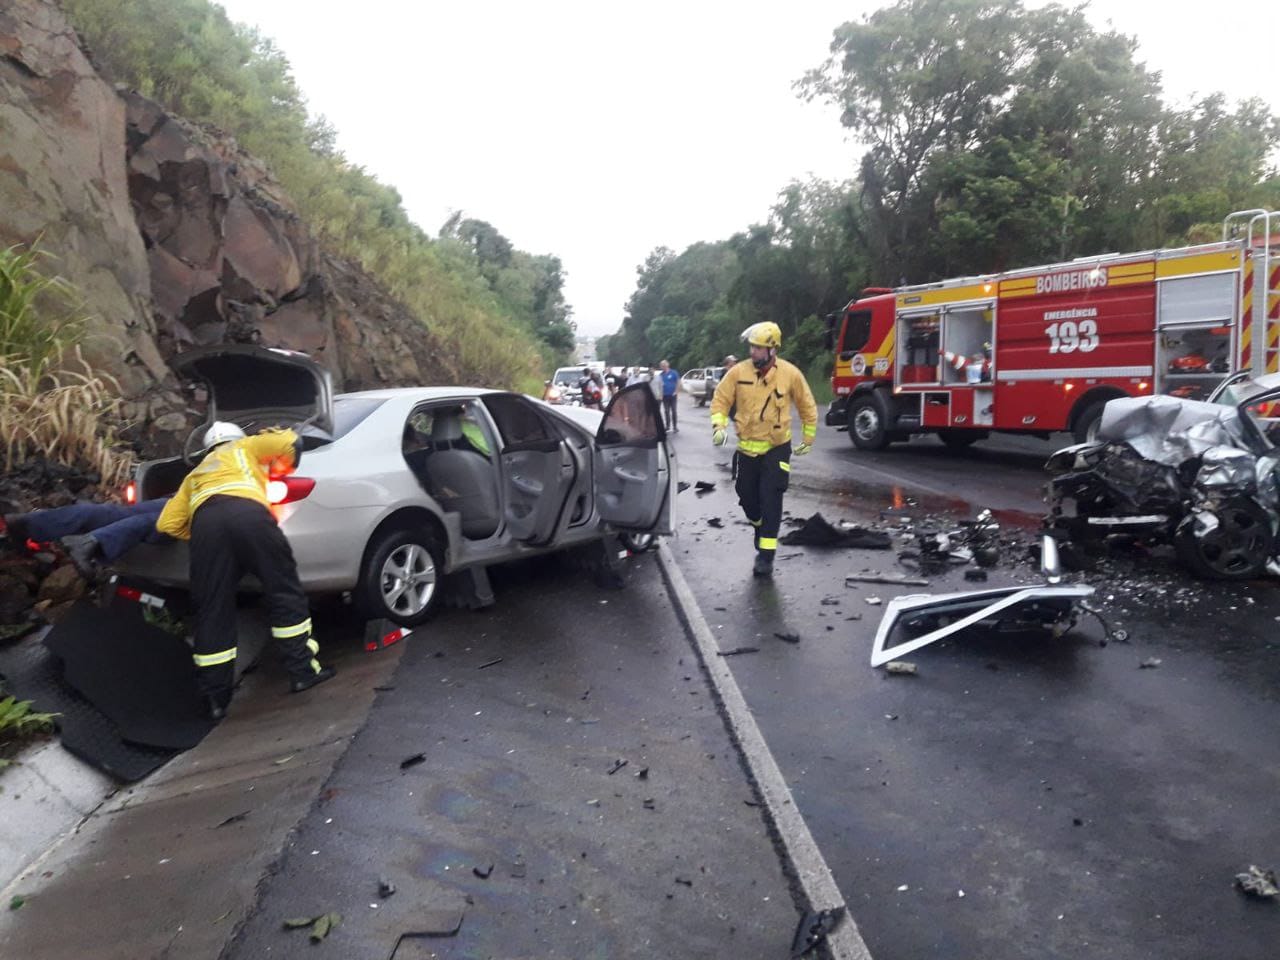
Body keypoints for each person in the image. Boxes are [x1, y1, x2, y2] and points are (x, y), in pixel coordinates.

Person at [157, 421, 333, 721]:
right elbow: (290, 442)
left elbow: (166, 524)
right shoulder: (245, 446)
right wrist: (276, 440)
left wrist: (209, 538)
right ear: (237, 437)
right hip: (249, 515)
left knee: (212, 609)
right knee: (283, 590)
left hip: (207, 527)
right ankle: (303, 672)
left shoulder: (194, 474)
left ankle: (216, 699)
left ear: (208, 446)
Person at [710, 322, 817, 578]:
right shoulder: (738, 372)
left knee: (771, 498)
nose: (752, 352)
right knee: (747, 497)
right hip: (746, 450)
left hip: (777, 449)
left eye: (758, 348)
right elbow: (721, 399)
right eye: (751, 347)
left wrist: (808, 437)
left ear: (772, 350)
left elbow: (807, 405)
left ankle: (766, 555)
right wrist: (719, 425)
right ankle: (759, 526)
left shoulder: (790, 374)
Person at [3, 499, 172, 581]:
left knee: (158, 520)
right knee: (107, 513)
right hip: (186, 498)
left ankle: (91, 541)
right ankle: (23, 525)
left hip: (191, 505)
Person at [658, 359, 680, 433]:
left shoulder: (674, 372)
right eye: (661, 366)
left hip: (673, 395)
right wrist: (660, 395)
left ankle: (675, 427)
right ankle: (667, 426)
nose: (663, 367)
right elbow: (659, 386)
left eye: (664, 365)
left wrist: (676, 391)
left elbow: (678, 382)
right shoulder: (661, 375)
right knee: (666, 411)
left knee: (674, 410)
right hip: (665, 395)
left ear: (667, 364)